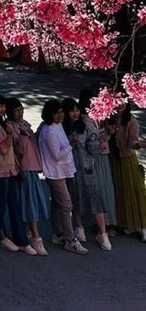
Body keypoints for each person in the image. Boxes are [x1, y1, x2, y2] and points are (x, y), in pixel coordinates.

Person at [0, 94, 36, 254]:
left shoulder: (2, 122)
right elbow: (3, 148)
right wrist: (8, 134)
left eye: (3, 106)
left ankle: (21, 239)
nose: (2, 109)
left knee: (15, 205)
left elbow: (16, 148)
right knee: (0, 206)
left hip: (11, 168)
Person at [37, 99, 87, 253]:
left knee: (58, 203)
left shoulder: (56, 126)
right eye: (57, 113)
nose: (61, 115)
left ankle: (58, 233)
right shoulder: (50, 131)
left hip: (62, 171)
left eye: (61, 112)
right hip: (55, 172)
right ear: (50, 114)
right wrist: (71, 145)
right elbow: (57, 155)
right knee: (66, 205)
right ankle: (70, 239)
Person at [62, 97, 111, 251]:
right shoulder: (62, 129)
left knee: (95, 199)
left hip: (87, 168)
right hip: (71, 170)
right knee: (74, 199)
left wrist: (100, 144)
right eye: (71, 111)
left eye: (76, 110)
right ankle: (79, 228)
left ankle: (103, 234)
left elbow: (93, 146)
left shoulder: (86, 126)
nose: (75, 114)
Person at [5, 97, 50, 255]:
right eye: (16, 110)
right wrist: (23, 135)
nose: (20, 112)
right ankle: (36, 237)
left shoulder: (25, 125)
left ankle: (29, 233)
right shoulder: (11, 127)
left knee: (32, 201)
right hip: (23, 169)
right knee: (29, 202)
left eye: (21, 109)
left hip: (32, 167)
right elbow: (19, 150)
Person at [78, 87, 117, 235]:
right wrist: (104, 135)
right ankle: (102, 224)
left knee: (106, 188)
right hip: (94, 157)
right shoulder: (84, 119)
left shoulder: (98, 115)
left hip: (102, 155)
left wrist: (107, 133)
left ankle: (106, 222)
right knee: (100, 189)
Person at [108, 102, 146, 240]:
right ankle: (127, 223)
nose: (119, 106)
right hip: (113, 160)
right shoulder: (108, 119)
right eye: (116, 103)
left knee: (135, 191)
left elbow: (132, 143)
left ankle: (143, 226)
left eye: (122, 103)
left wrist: (140, 144)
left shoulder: (131, 121)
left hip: (127, 159)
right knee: (121, 192)